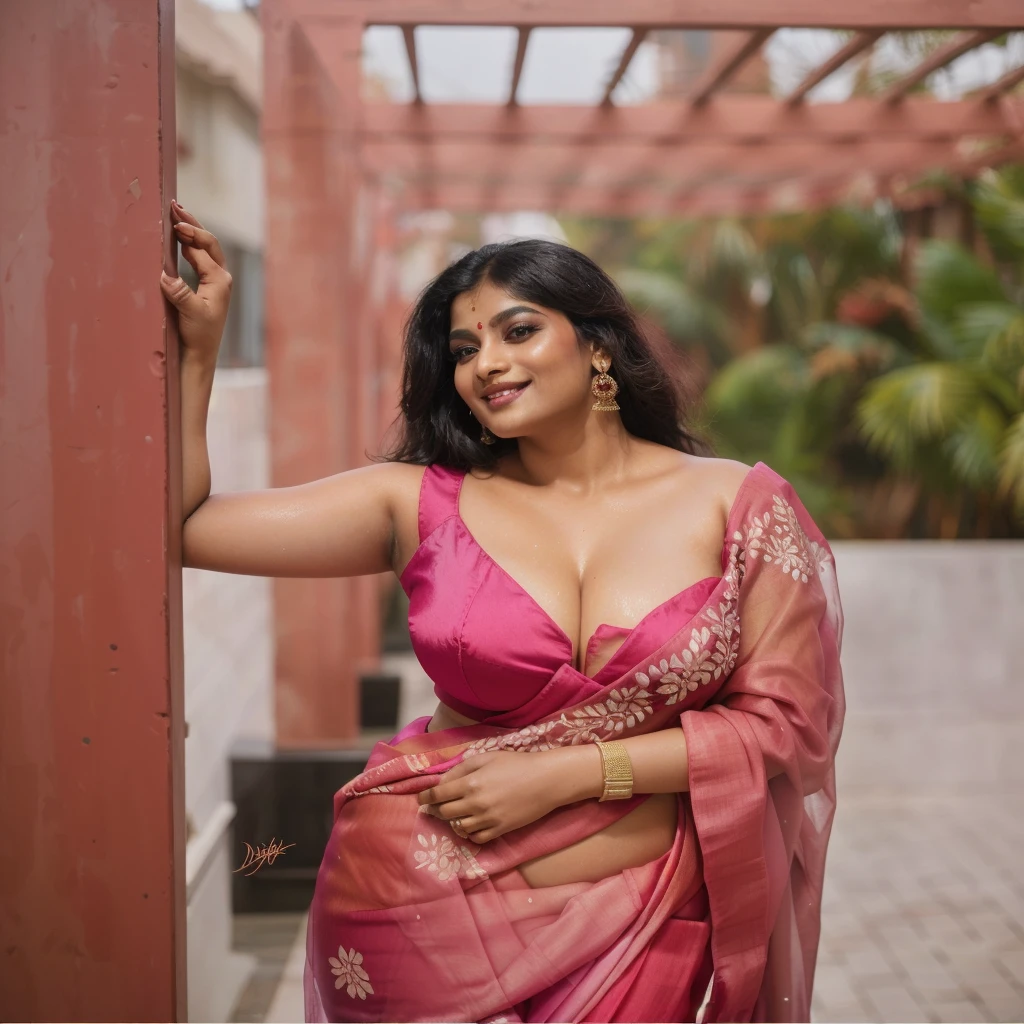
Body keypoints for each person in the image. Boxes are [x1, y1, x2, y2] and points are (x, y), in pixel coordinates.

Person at [162, 200, 845, 1024]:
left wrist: (573, 771)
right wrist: (199, 358)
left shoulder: (740, 506)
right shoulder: (419, 503)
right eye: (463, 348)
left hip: (640, 922)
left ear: (598, 344)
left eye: (517, 332)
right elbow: (187, 528)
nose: (485, 363)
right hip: (415, 908)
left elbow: (788, 726)